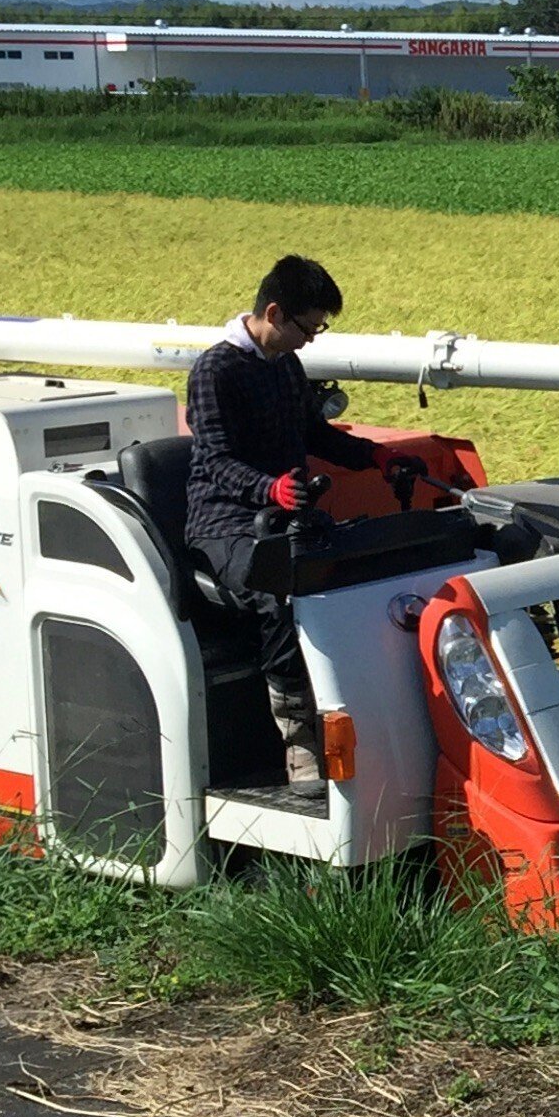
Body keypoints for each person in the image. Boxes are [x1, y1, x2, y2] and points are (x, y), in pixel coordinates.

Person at [184, 255, 385, 797]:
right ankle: (298, 738)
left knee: (350, 569)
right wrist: (269, 489)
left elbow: (313, 436)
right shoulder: (216, 371)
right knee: (280, 590)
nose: (311, 340)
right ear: (274, 312)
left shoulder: (286, 367)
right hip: (223, 523)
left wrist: (374, 456)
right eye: (308, 327)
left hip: (283, 514)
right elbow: (217, 459)